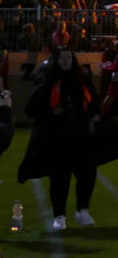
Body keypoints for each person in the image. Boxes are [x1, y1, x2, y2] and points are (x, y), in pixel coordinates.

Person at [19, 49, 99, 231]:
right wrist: (51, 112)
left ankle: (82, 210)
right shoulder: (47, 81)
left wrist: (93, 114)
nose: (66, 61)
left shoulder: (81, 78)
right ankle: (59, 215)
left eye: (69, 57)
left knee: (87, 173)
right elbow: (32, 108)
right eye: (62, 58)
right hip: (57, 136)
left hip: (81, 134)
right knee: (59, 178)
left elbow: (93, 99)